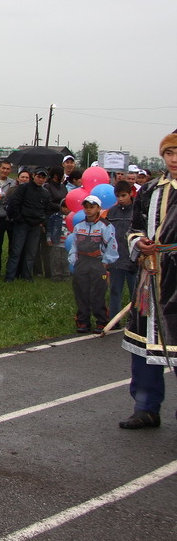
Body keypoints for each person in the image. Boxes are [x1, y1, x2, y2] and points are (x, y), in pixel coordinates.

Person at [118, 133, 177, 429]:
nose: (175, 159)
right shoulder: (150, 190)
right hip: (150, 277)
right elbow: (135, 227)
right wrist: (139, 242)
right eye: (170, 152)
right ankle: (146, 406)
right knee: (144, 346)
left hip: (176, 281)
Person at [68, 195, 119, 333]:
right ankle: (83, 321)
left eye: (92, 207)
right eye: (86, 207)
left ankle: (101, 321)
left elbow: (112, 246)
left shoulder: (106, 226)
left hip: (98, 262)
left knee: (97, 293)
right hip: (82, 262)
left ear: (98, 208)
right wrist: (73, 260)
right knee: (81, 292)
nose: (89, 210)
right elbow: (74, 246)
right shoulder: (79, 226)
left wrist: (106, 262)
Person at [5, 168, 50, 282]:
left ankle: (27, 276)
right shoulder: (23, 188)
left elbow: (46, 208)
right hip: (22, 224)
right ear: (34, 176)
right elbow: (14, 204)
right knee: (16, 251)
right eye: (39, 176)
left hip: (35, 226)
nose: (40, 179)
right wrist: (18, 218)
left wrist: (42, 221)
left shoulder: (45, 193)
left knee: (31, 253)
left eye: (43, 177)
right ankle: (10, 277)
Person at [106, 181, 138, 319]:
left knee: (135, 293)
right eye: (117, 196)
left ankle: (136, 321)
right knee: (115, 291)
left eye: (123, 195)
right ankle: (114, 318)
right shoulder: (112, 211)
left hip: (133, 259)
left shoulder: (138, 210)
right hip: (116, 259)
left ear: (131, 193)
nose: (120, 199)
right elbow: (107, 234)